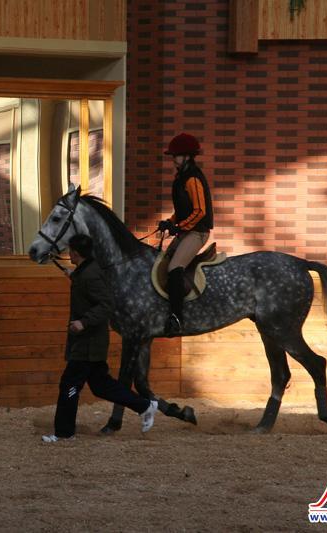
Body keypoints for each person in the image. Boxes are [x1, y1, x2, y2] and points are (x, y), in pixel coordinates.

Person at [41, 233, 159, 442]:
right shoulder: (87, 270)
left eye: (70, 251)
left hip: (87, 342)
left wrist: (83, 322)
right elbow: (86, 283)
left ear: (76, 253)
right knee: (101, 386)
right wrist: (71, 275)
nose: (69, 254)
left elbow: (106, 305)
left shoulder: (91, 275)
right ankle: (145, 406)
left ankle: (64, 433)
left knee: (69, 385)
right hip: (89, 342)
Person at [158, 133, 214, 336]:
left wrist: (179, 227)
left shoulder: (193, 178)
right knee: (162, 262)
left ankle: (177, 318)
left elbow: (200, 211)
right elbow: (184, 209)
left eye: (176, 156)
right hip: (187, 229)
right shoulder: (182, 176)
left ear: (187, 156)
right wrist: (170, 222)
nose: (173, 159)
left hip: (197, 232)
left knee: (174, 267)